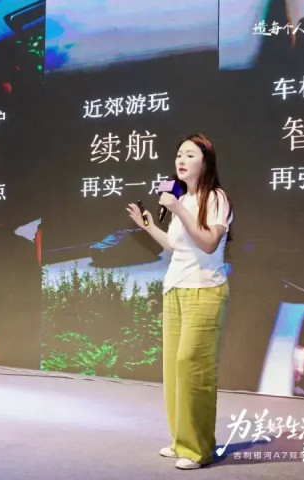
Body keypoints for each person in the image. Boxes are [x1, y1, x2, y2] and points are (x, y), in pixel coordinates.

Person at [126, 133, 233, 470]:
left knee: (193, 365)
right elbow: (175, 246)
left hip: (205, 289)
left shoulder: (215, 198)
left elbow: (208, 243)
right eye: (178, 155)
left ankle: (198, 449)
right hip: (175, 288)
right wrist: (147, 225)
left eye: (190, 155)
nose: (182, 161)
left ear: (206, 162)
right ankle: (180, 440)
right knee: (174, 367)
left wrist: (178, 209)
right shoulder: (181, 200)